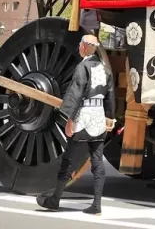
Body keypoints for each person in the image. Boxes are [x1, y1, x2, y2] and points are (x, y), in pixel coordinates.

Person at [37, 34, 115, 216]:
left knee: (68, 159)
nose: (79, 47)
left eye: (81, 44)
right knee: (97, 160)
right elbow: (110, 95)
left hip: (83, 115)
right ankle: (96, 204)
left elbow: (76, 93)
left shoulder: (83, 67)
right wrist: (109, 117)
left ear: (85, 47)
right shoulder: (105, 69)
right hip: (98, 116)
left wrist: (69, 118)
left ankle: (54, 199)